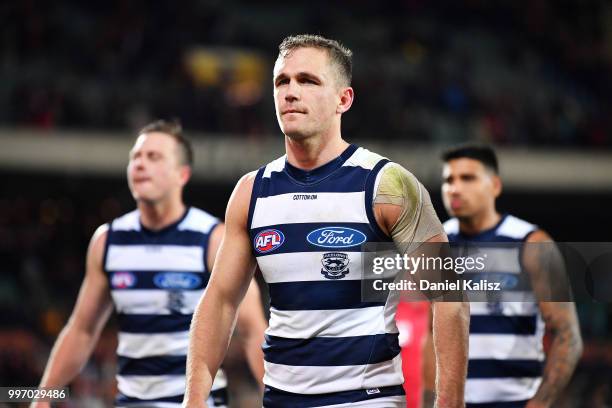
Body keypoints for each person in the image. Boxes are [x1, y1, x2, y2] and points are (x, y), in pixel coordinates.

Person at [184, 34, 469, 408]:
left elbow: (450, 299)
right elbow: (219, 303)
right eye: (281, 81)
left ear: (343, 99)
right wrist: (193, 400)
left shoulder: (388, 185)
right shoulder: (251, 192)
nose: (290, 91)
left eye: (308, 80)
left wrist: (449, 404)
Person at [33, 120, 267, 407]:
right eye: (136, 157)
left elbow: (253, 329)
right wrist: (42, 397)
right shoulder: (107, 241)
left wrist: (275, 399)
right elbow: (82, 330)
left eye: (153, 157)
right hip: (132, 402)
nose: (140, 164)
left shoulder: (212, 239)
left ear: (182, 174)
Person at [440, 144, 583, 408]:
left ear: (494, 186)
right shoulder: (437, 244)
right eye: (449, 180)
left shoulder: (531, 243)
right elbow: (428, 335)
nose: (455, 188)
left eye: (467, 178)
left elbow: (567, 335)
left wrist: (539, 404)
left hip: (516, 402)